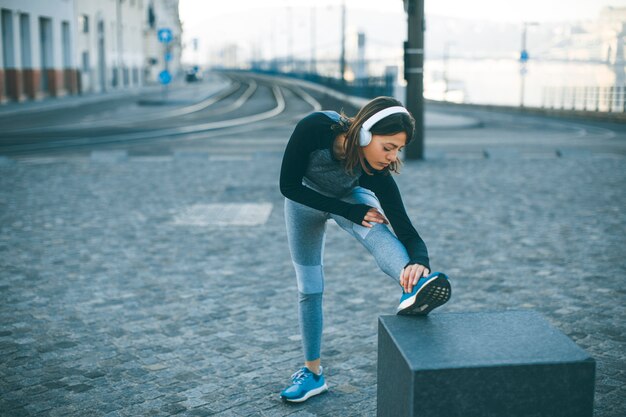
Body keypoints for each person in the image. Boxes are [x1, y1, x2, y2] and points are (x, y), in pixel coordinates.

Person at [278, 96, 451, 403]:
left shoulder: (376, 171)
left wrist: (419, 263)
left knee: (377, 228)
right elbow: (288, 186)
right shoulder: (314, 128)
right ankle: (312, 373)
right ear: (366, 133)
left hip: (349, 198)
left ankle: (411, 285)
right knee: (309, 288)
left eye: (398, 149)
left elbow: (407, 231)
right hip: (304, 201)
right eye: (388, 147)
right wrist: (348, 211)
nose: (392, 156)